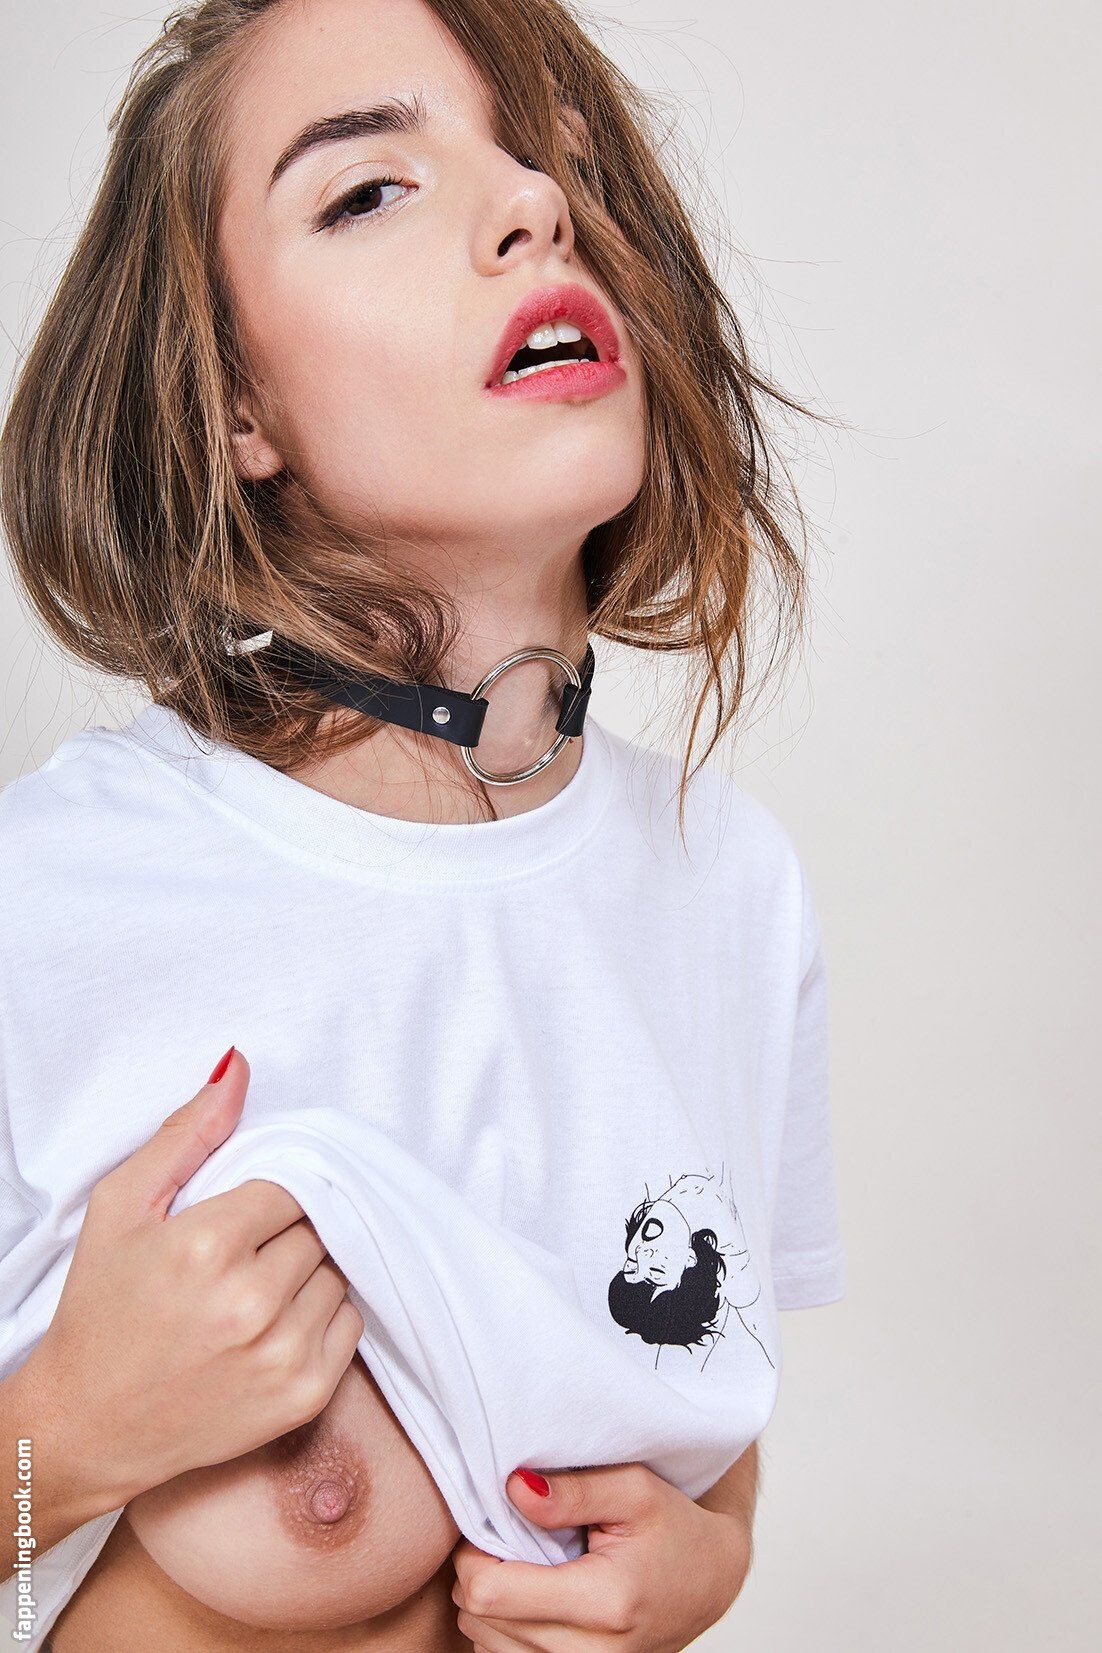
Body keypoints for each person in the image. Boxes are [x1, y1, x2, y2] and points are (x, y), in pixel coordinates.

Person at [0, 0, 845, 1646]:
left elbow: (708, 1388)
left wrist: (711, 1560)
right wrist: (65, 1432)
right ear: (235, 405)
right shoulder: (50, 897)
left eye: (555, 158)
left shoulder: (731, 886)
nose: (532, 205)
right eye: (367, 188)